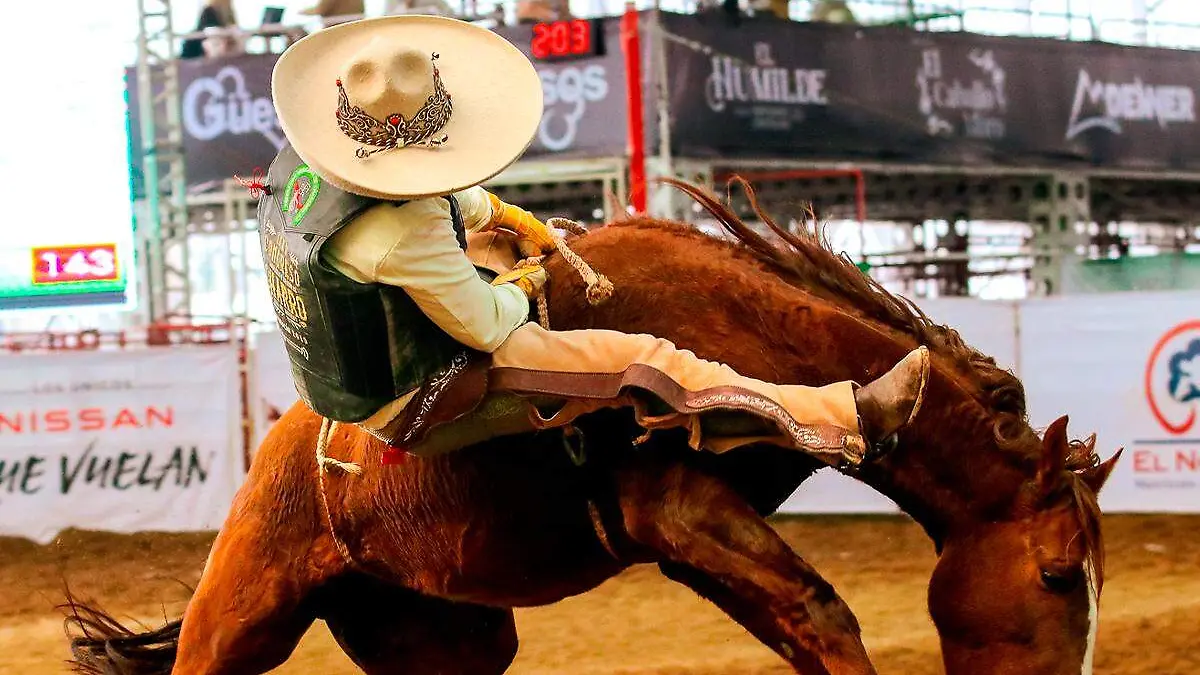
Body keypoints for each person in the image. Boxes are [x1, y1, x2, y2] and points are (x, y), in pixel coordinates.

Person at [258, 15, 929, 470]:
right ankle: (841, 419)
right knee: (641, 356)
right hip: (418, 396)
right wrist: (528, 280)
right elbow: (486, 325)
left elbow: (435, 198)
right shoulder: (402, 231)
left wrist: (507, 217)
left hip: (370, 362)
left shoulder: (313, 166)